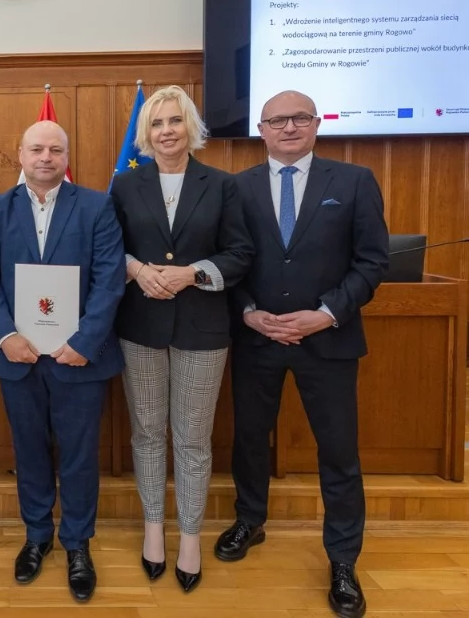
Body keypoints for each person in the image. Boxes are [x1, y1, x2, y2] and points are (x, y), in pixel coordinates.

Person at [215, 90, 388, 618]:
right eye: (277, 120)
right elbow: (228, 262)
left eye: (299, 119)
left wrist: (326, 313)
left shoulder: (354, 182)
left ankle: (342, 560)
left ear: (317, 124)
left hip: (328, 340)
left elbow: (372, 262)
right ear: (261, 129)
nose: (288, 128)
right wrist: (247, 312)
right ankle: (251, 520)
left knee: (338, 452)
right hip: (256, 338)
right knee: (249, 440)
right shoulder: (235, 188)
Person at [0, 120, 125, 603]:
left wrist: (85, 340)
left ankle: (78, 544)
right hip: (18, 357)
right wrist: (4, 335)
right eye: (36, 149)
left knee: (80, 456)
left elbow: (109, 280)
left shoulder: (98, 206)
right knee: (29, 450)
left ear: (66, 157)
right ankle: (37, 536)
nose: (45, 157)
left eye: (55, 149)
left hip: (77, 357)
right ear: (20, 155)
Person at [110, 85, 253, 592]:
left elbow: (240, 254)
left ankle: (189, 535)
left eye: (174, 121)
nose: (166, 131)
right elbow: (109, 248)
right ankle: (154, 528)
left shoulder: (222, 185)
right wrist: (135, 270)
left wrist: (193, 273)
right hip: (141, 326)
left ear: (190, 126)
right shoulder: (127, 186)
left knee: (192, 439)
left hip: (203, 329)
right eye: (156, 123)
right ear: (145, 135)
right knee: (148, 434)